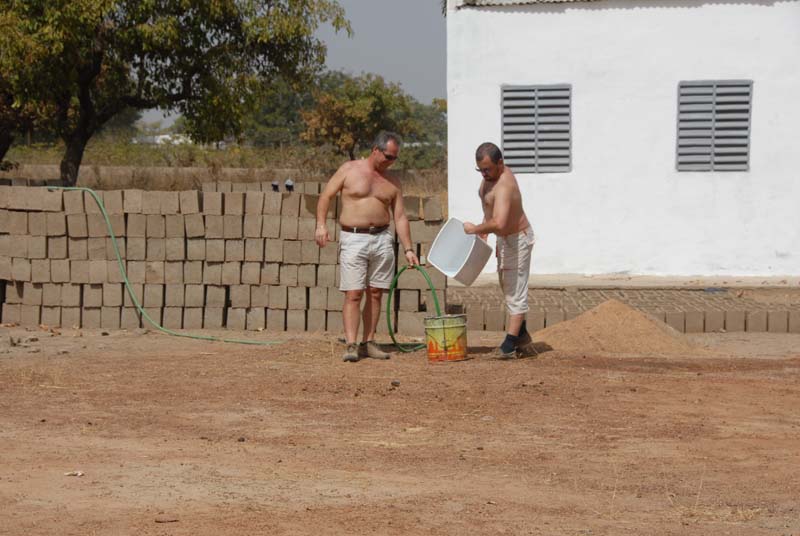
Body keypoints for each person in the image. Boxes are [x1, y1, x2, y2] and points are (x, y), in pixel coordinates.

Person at [316, 131, 420, 363]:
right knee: (354, 293)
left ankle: (369, 341)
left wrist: (409, 249)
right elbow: (326, 196)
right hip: (354, 237)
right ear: (376, 150)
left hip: (382, 239)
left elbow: (400, 216)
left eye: (395, 158)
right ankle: (351, 344)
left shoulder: (393, 181)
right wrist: (321, 225)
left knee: (375, 293)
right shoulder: (349, 170)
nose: (391, 162)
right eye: (388, 156)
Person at [463, 142, 535, 358]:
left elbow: (501, 222)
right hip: (504, 240)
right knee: (507, 286)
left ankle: (509, 345)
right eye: (480, 170)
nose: (484, 174)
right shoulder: (490, 179)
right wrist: (484, 232)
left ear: (500, 163)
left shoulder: (505, 184)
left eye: (487, 169)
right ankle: (521, 335)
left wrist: (476, 229)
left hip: (517, 239)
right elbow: (490, 211)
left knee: (515, 290)